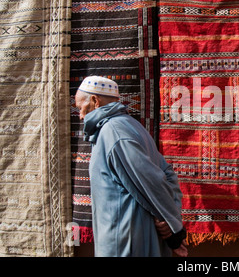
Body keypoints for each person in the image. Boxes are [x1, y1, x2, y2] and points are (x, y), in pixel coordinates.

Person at [75, 75, 187, 257]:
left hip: (125, 241)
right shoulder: (131, 126)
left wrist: (172, 226)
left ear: (95, 101)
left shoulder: (113, 132)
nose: (80, 116)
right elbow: (167, 173)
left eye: (81, 108)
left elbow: (152, 180)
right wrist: (171, 218)